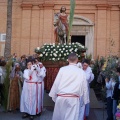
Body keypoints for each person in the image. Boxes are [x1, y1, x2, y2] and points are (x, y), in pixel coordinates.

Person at [49, 53, 89, 120]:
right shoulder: (81, 72)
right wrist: (85, 100)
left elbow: (56, 83)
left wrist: (54, 96)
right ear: (77, 60)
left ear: (68, 60)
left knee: (59, 117)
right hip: (73, 98)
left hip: (61, 97)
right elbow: (85, 87)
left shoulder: (62, 69)